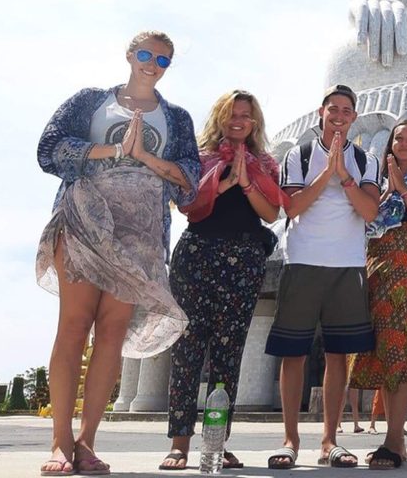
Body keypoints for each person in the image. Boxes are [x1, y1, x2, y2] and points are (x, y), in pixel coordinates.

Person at [36, 31, 199, 476]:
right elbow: (49, 149)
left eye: (162, 60)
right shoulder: (91, 101)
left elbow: (189, 178)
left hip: (141, 231)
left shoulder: (177, 118)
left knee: (111, 334)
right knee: (74, 325)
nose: (152, 64)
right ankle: (60, 442)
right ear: (129, 56)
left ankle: (87, 442)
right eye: (145, 55)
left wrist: (144, 156)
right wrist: (114, 150)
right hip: (85, 218)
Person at [158, 90, 283, 470]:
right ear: (220, 116)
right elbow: (188, 208)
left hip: (243, 257)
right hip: (198, 253)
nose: (238, 120)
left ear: (255, 121)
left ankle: (216, 441)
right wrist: (223, 181)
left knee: (228, 354)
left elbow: (272, 211)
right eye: (232, 113)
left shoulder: (264, 162)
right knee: (188, 347)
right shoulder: (200, 159)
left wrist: (246, 182)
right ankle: (180, 443)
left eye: (246, 114)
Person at [264, 84, 380, 469]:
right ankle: (290, 439)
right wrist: (325, 172)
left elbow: (369, 212)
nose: (339, 116)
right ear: (321, 112)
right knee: (293, 352)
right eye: (334, 109)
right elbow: (292, 207)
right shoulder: (298, 155)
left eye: (347, 110)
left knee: (338, 354)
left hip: (347, 263)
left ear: (354, 117)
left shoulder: (367, 160)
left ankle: (330, 440)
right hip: (303, 259)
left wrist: (343, 174)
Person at [349, 119, 407, 469]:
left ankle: (395, 439)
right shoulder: (375, 173)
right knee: (379, 344)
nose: (404, 143)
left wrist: (403, 188)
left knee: (396, 343)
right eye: (399, 137)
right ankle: (393, 437)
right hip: (376, 256)